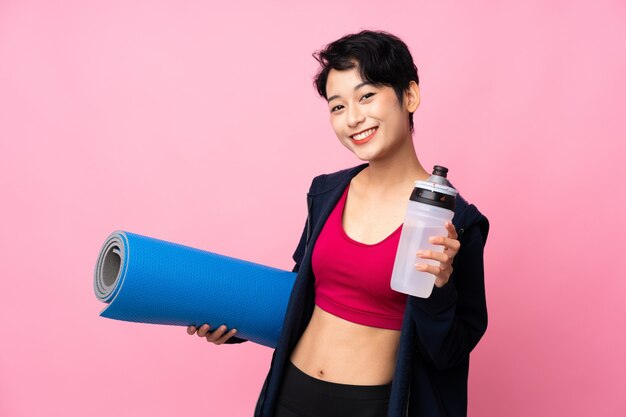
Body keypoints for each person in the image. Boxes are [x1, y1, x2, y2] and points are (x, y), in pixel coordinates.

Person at [187, 30, 489, 417]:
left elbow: (448, 352)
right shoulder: (326, 192)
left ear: (409, 95)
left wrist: (441, 287)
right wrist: (233, 325)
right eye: (337, 107)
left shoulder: (456, 222)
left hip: (371, 406)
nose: (353, 118)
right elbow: (297, 297)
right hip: (290, 394)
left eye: (366, 96)